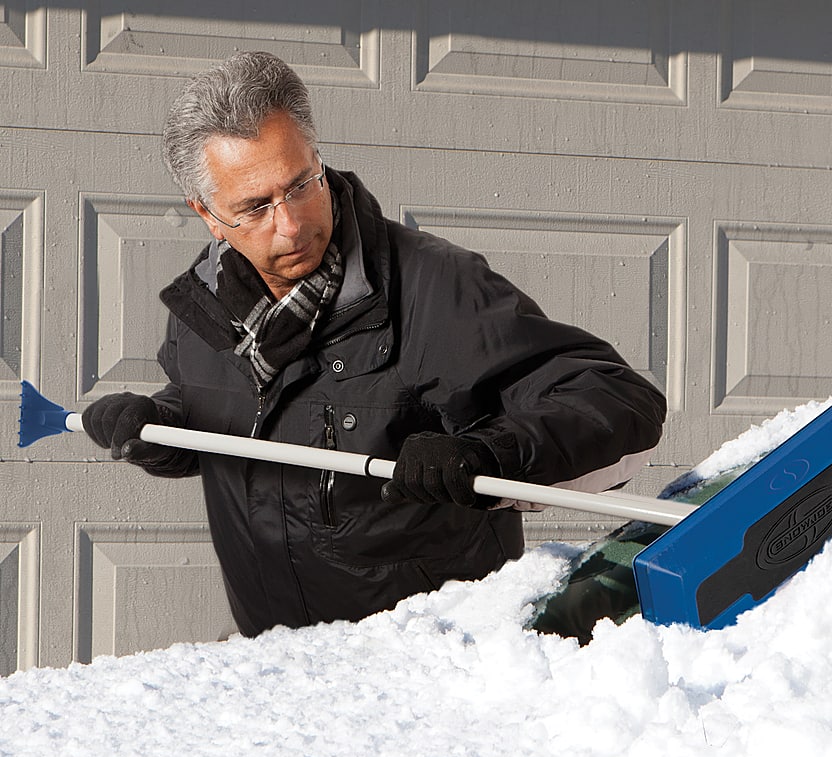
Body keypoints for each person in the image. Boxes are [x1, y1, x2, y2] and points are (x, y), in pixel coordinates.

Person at [81, 51, 667, 639]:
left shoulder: (434, 289)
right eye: (256, 207)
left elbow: (617, 402)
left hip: (428, 664)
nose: (290, 224)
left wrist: (489, 451)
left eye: (300, 186)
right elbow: (239, 425)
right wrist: (158, 425)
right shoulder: (205, 310)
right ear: (209, 215)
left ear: (317, 159)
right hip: (277, 661)